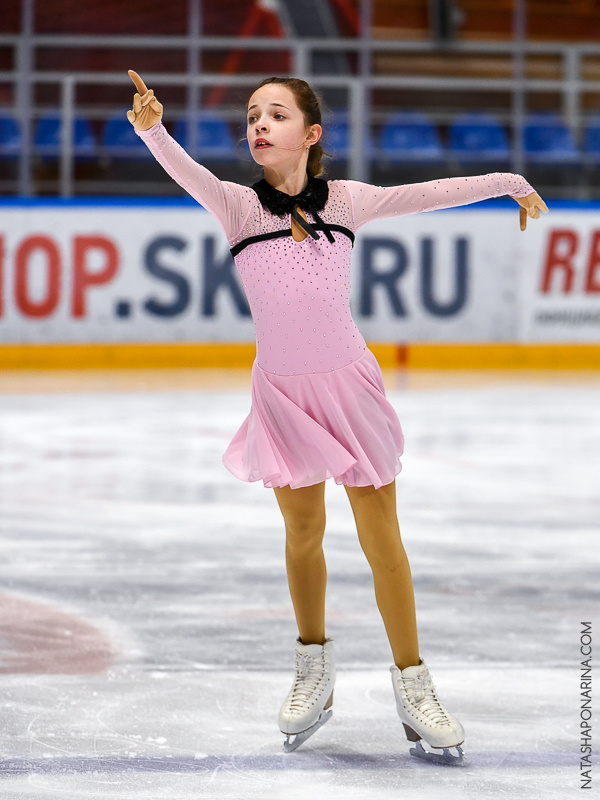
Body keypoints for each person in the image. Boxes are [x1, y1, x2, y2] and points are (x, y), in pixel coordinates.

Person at [127, 70, 547, 764]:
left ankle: (414, 683)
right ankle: (313, 668)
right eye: (254, 114)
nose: (260, 124)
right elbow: (185, 170)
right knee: (303, 535)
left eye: (278, 114)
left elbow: (430, 195)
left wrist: (509, 179)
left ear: (311, 134)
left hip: (348, 389)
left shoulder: (349, 201)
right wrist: (152, 129)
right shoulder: (238, 209)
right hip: (283, 395)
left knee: (383, 540)